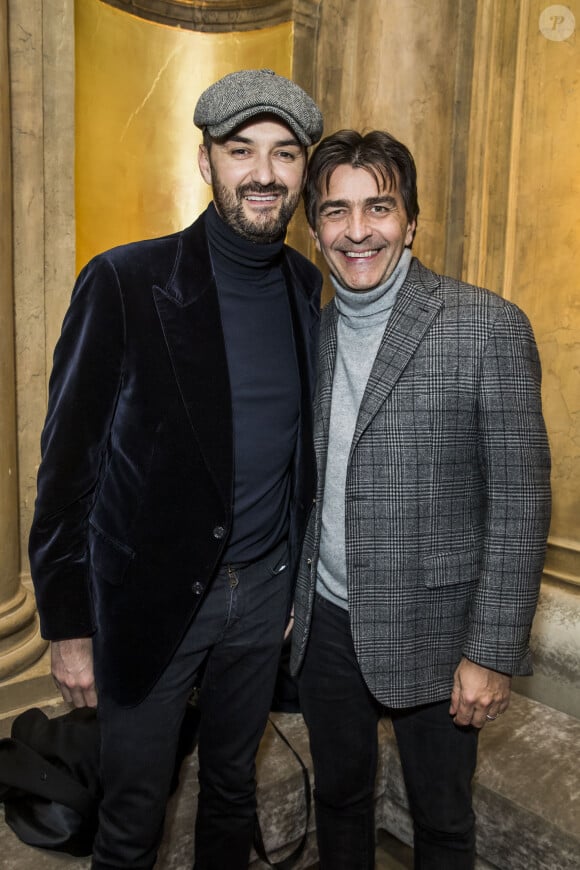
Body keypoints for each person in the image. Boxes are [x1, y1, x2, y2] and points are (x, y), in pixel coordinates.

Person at [28, 69, 323, 870]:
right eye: (241, 151)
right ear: (206, 163)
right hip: (151, 600)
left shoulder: (306, 284)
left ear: (302, 170)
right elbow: (68, 470)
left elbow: (303, 452)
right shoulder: (124, 281)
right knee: (132, 815)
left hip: (263, 596)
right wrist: (68, 625)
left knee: (231, 788)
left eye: (285, 154)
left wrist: (292, 586)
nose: (264, 173)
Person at [290, 129, 551, 869]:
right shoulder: (310, 328)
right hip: (326, 626)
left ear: (411, 221)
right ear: (315, 228)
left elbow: (521, 503)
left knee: (440, 820)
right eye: (336, 211)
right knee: (339, 802)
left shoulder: (486, 326)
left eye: (379, 206)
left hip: (440, 634)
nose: (358, 229)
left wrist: (491, 652)